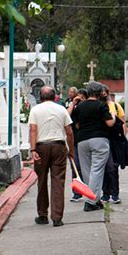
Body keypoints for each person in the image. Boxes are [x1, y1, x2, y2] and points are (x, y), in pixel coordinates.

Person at [29, 86, 74, 227]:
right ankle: (57, 217)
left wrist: (33, 149)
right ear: (55, 96)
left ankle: (42, 215)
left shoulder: (35, 110)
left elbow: (33, 130)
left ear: (40, 97)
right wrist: (71, 150)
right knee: (58, 182)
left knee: (41, 181)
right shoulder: (61, 109)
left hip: (41, 147)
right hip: (58, 146)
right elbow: (69, 131)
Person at [72, 82, 115, 211]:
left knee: (86, 171)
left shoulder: (79, 106)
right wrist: (113, 116)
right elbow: (109, 123)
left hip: (82, 140)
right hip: (99, 140)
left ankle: (95, 199)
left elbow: (77, 125)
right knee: (97, 170)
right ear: (99, 93)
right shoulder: (101, 106)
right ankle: (90, 202)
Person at [100, 85, 125, 204]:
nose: (104, 94)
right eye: (102, 93)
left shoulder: (115, 106)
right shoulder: (99, 106)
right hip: (102, 137)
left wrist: (123, 139)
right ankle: (105, 193)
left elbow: (122, 123)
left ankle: (115, 193)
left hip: (114, 140)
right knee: (104, 167)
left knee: (113, 167)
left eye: (106, 92)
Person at [67, 88, 88, 202]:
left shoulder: (90, 109)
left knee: (89, 168)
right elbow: (66, 115)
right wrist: (73, 104)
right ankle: (77, 192)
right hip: (75, 142)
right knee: (76, 168)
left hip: (86, 141)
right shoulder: (74, 109)